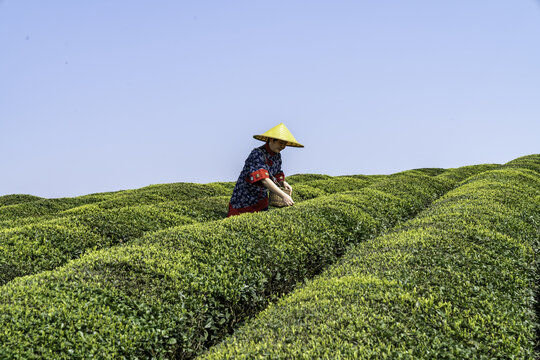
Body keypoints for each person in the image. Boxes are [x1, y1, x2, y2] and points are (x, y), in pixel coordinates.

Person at [228, 123, 304, 217]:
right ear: (271, 139)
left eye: (285, 144)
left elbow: (276, 174)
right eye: (280, 143)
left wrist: (282, 182)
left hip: (261, 200)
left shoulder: (277, 156)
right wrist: (283, 196)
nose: (282, 147)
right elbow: (264, 179)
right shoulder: (256, 154)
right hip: (243, 200)